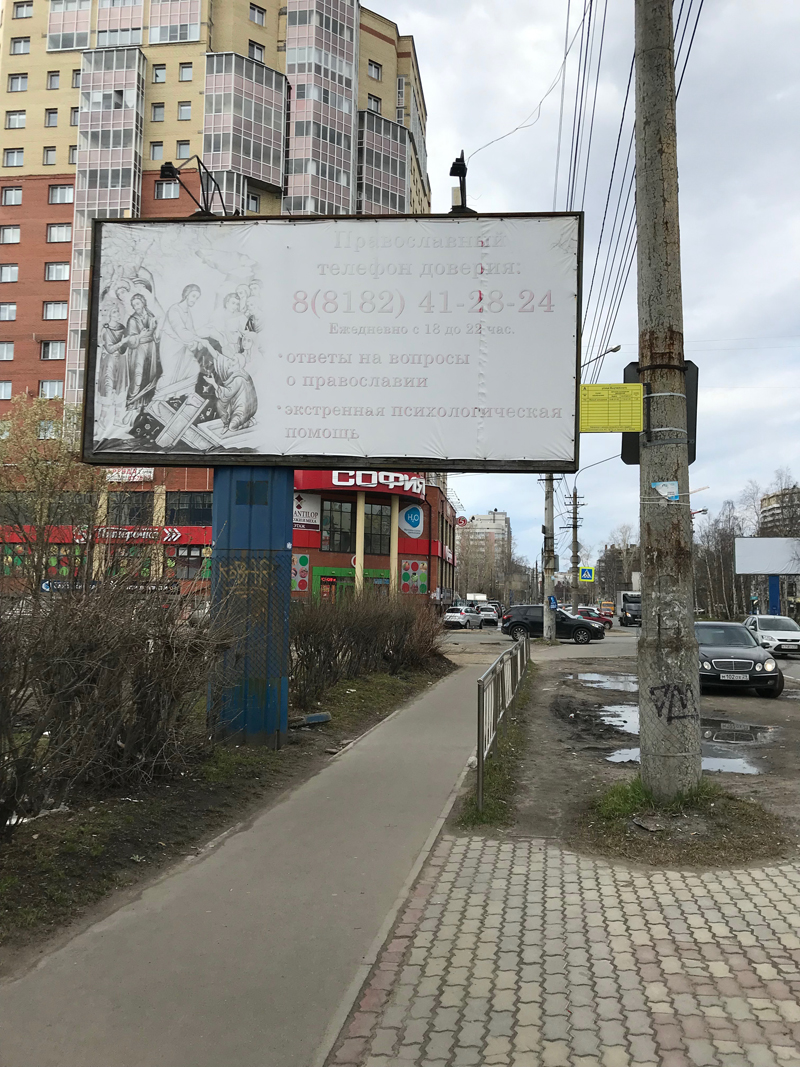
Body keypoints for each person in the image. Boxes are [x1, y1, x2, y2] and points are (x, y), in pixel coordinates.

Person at [125, 293, 161, 419]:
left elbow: (155, 334)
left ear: (143, 303)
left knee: (150, 375)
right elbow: (130, 340)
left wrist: (155, 329)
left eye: (138, 303)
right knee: (138, 376)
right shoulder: (132, 320)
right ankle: (132, 404)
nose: (136, 307)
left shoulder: (151, 316)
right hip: (138, 349)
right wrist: (140, 336)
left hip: (151, 347)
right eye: (134, 305)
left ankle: (146, 404)